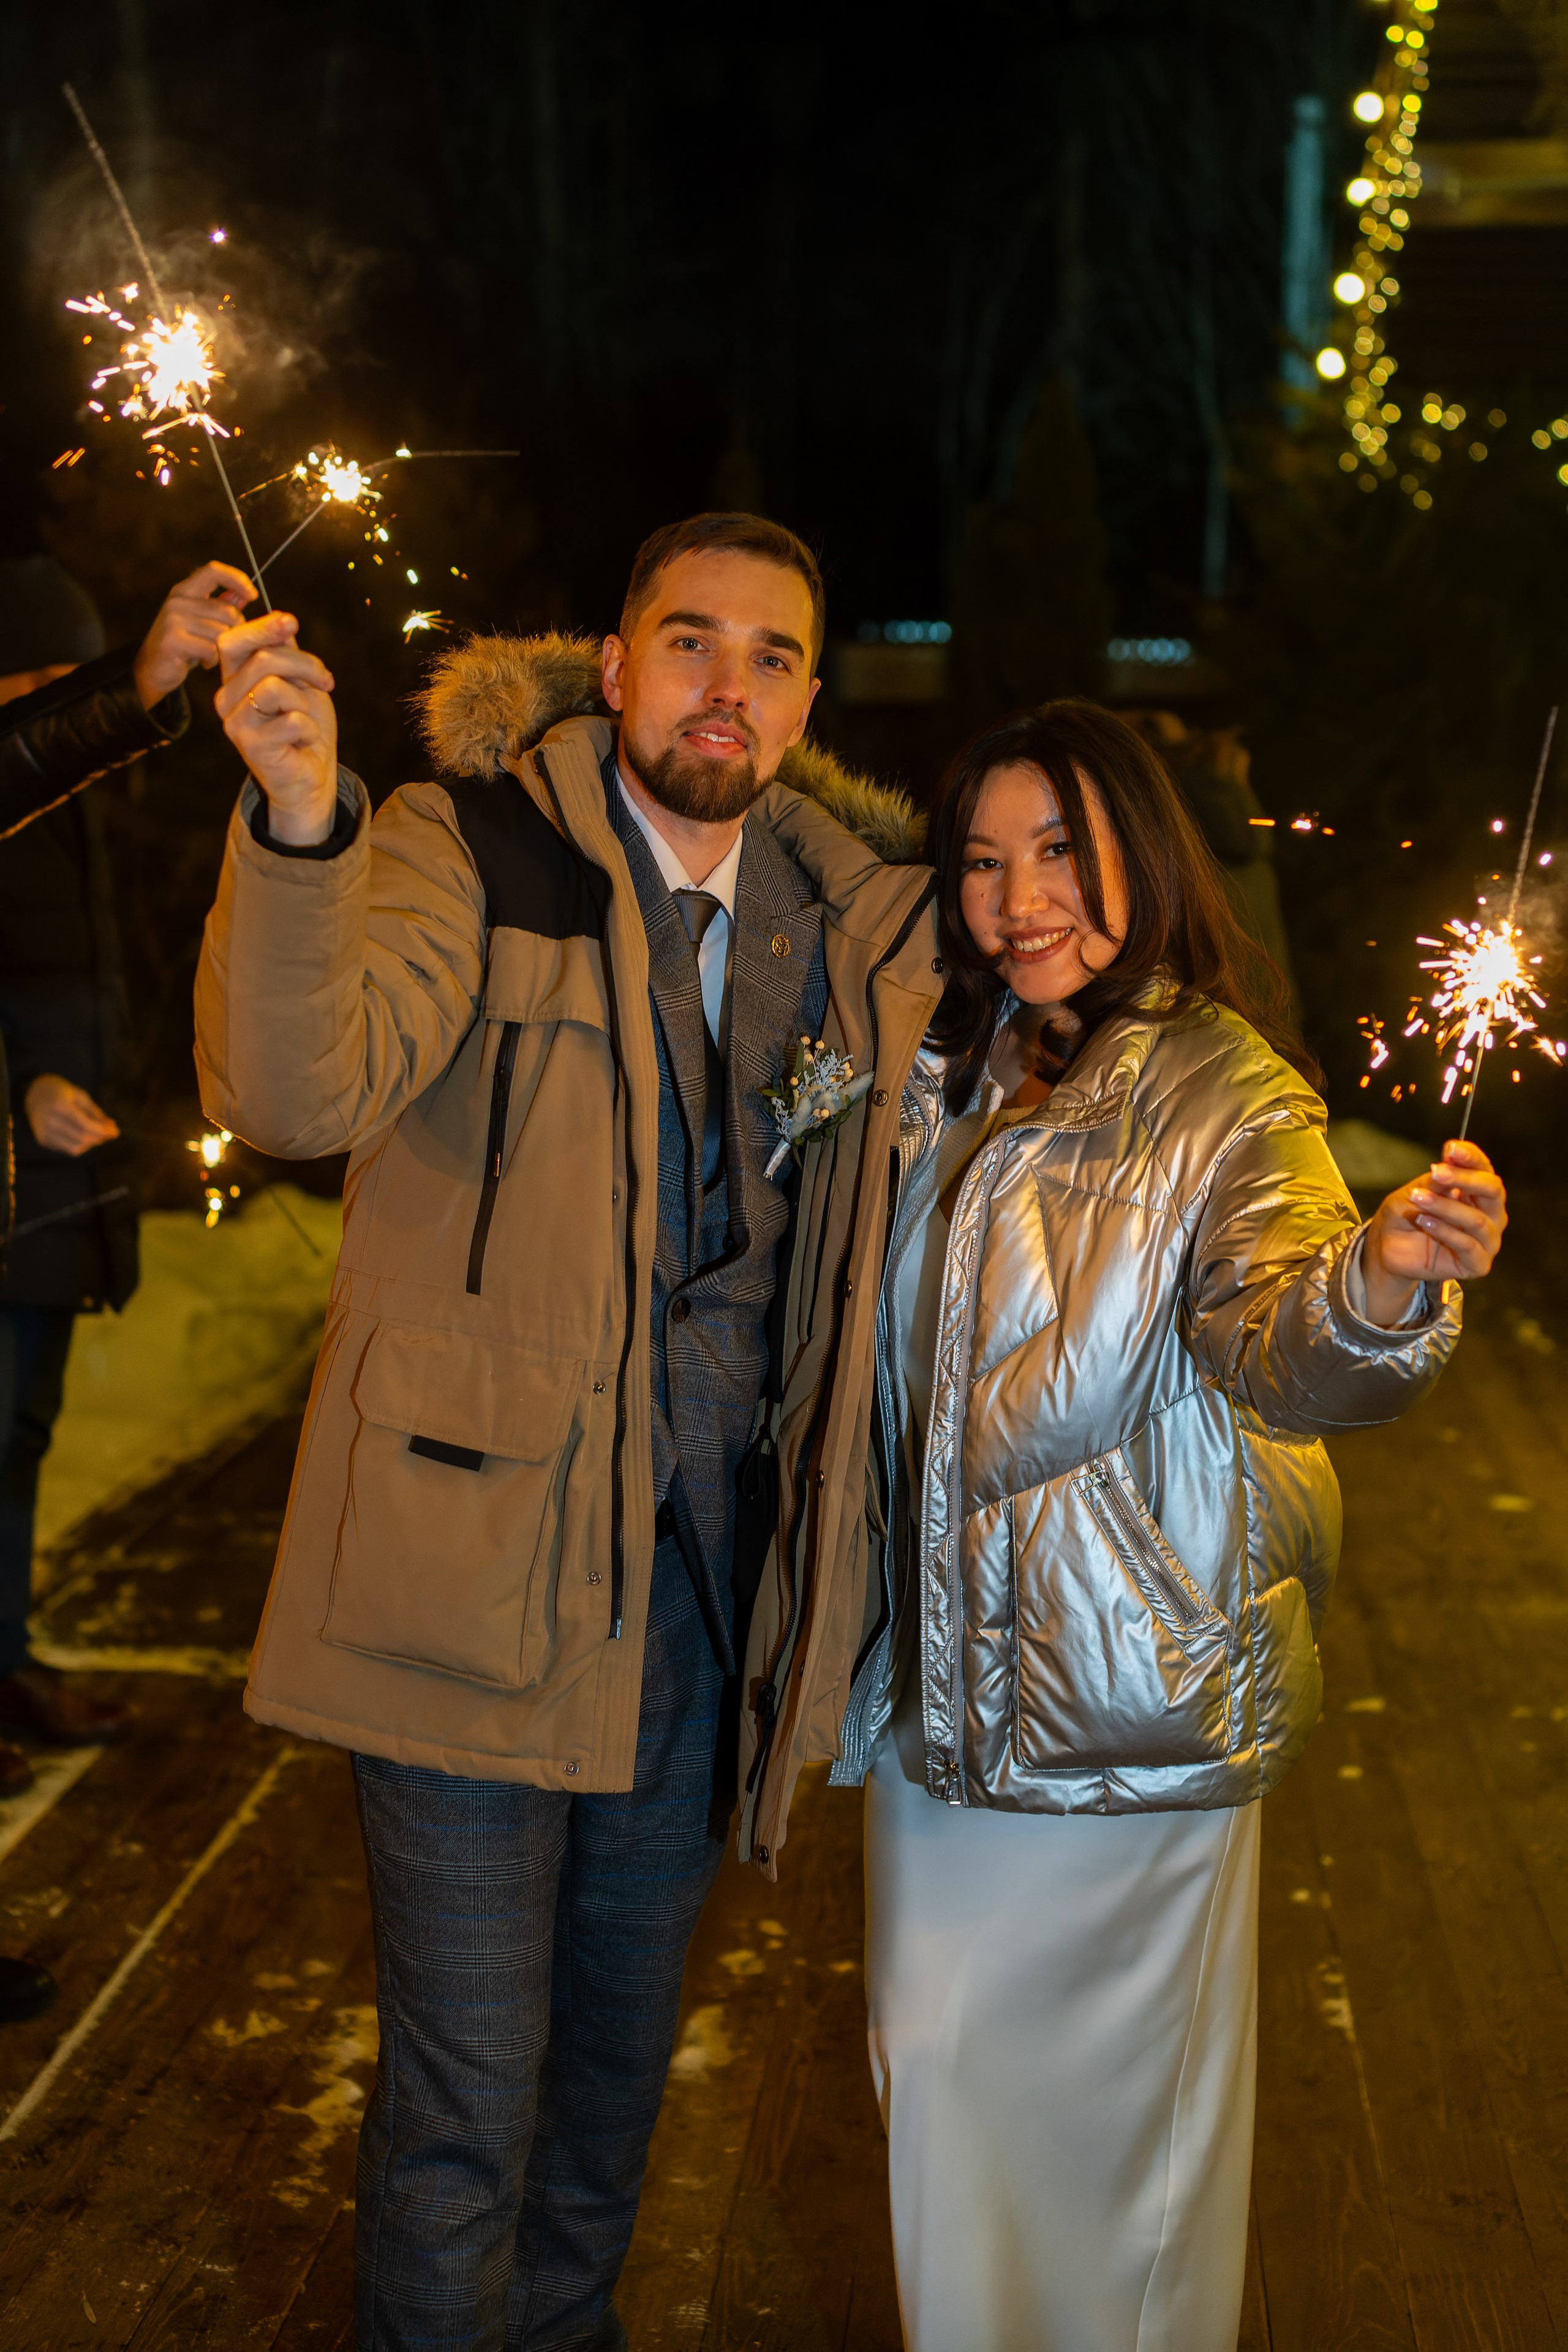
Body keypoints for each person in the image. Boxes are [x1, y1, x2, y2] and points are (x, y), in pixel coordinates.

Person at [195, 511, 940, 2349]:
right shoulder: (474, 846)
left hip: (705, 1611)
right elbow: (301, 1089)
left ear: (809, 697)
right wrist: (301, 820)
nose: (727, 687)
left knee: (610, 2097)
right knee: (463, 2114)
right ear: (614, 669)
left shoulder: (847, 921)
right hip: (474, 1585)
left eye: (772, 658)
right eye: (690, 643)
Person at [852, 702, 1505, 2352]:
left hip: (1127, 1704)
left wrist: (1389, 1281)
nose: (1020, 898)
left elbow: (1287, 1347)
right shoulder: (954, 1063)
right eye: (986, 860)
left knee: (1114, 2161)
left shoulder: (1226, 1087)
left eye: (1061, 850)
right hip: (949, 1720)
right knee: (937, 2096)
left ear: (1143, 852)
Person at [0, 553, 254, 2027]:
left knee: (20, 1425)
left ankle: (6, 1659)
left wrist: (142, 687)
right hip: (13, 1136)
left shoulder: (70, 797)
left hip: (48, 1160)